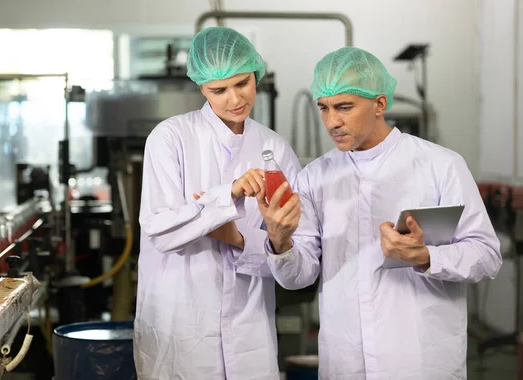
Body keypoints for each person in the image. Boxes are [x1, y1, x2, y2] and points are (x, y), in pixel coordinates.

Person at [259, 46, 502, 379]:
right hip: (345, 362)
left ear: (379, 104)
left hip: (420, 360)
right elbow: (297, 277)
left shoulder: (440, 165)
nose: (332, 121)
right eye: (324, 108)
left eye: (344, 107)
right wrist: (280, 240)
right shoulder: (315, 177)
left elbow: (487, 255)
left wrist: (426, 256)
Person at [133, 26, 301, 380]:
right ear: (200, 87)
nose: (234, 99)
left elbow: (291, 255)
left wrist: (238, 238)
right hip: (180, 332)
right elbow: (160, 231)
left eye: (243, 83)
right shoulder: (171, 138)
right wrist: (228, 195)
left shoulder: (276, 148)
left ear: (256, 74)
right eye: (218, 90)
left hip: (249, 331)